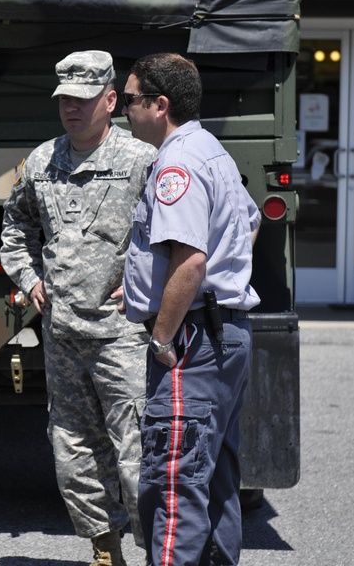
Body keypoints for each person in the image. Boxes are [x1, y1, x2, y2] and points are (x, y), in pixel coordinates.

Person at [0, 50, 155, 566]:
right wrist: (27, 279)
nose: (72, 108)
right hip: (64, 338)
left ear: (110, 100)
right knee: (74, 455)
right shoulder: (41, 161)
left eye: (83, 100)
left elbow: (178, 235)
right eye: (64, 99)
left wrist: (145, 280)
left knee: (137, 455)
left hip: (124, 339)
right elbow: (14, 230)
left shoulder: (143, 161)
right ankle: (105, 551)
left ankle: (158, 550)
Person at [121, 53, 260, 566]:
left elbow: (191, 259)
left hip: (191, 344)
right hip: (222, 333)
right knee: (215, 477)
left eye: (131, 100)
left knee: (173, 487)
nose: (124, 111)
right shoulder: (210, 149)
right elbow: (247, 222)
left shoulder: (177, 163)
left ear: (160, 105)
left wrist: (162, 334)